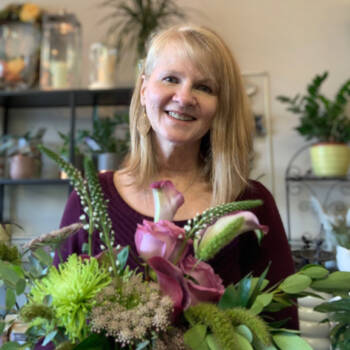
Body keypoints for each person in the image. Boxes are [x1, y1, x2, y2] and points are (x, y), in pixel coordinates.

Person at [56, 24, 298, 329]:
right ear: (144, 90)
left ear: (220, 107)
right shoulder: (91, 198)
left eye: (204, 87)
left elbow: (282, 328)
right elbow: (55, 332)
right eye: (171, 79)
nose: (184, 97)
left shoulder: (250, 202)